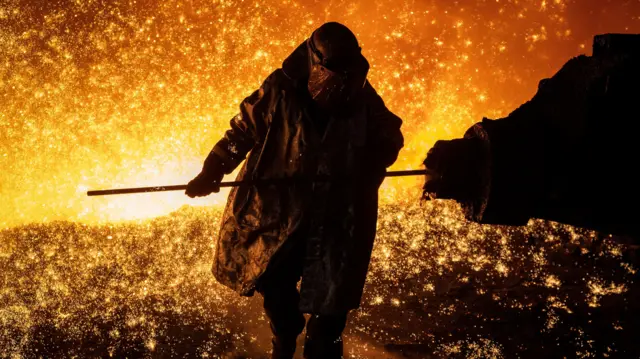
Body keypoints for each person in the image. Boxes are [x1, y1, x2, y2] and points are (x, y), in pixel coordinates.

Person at [185, 22, 404, 359]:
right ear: (314, 61)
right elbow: (242, 131)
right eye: (336, 69)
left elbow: (389, 135)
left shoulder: (362, 97)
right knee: (275, 285)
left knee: (330, 309)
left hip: (336, 216)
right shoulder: (280, 90)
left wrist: (372, 164)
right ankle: (284, 339)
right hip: (280, 214)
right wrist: (213, 168)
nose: (343, 78)